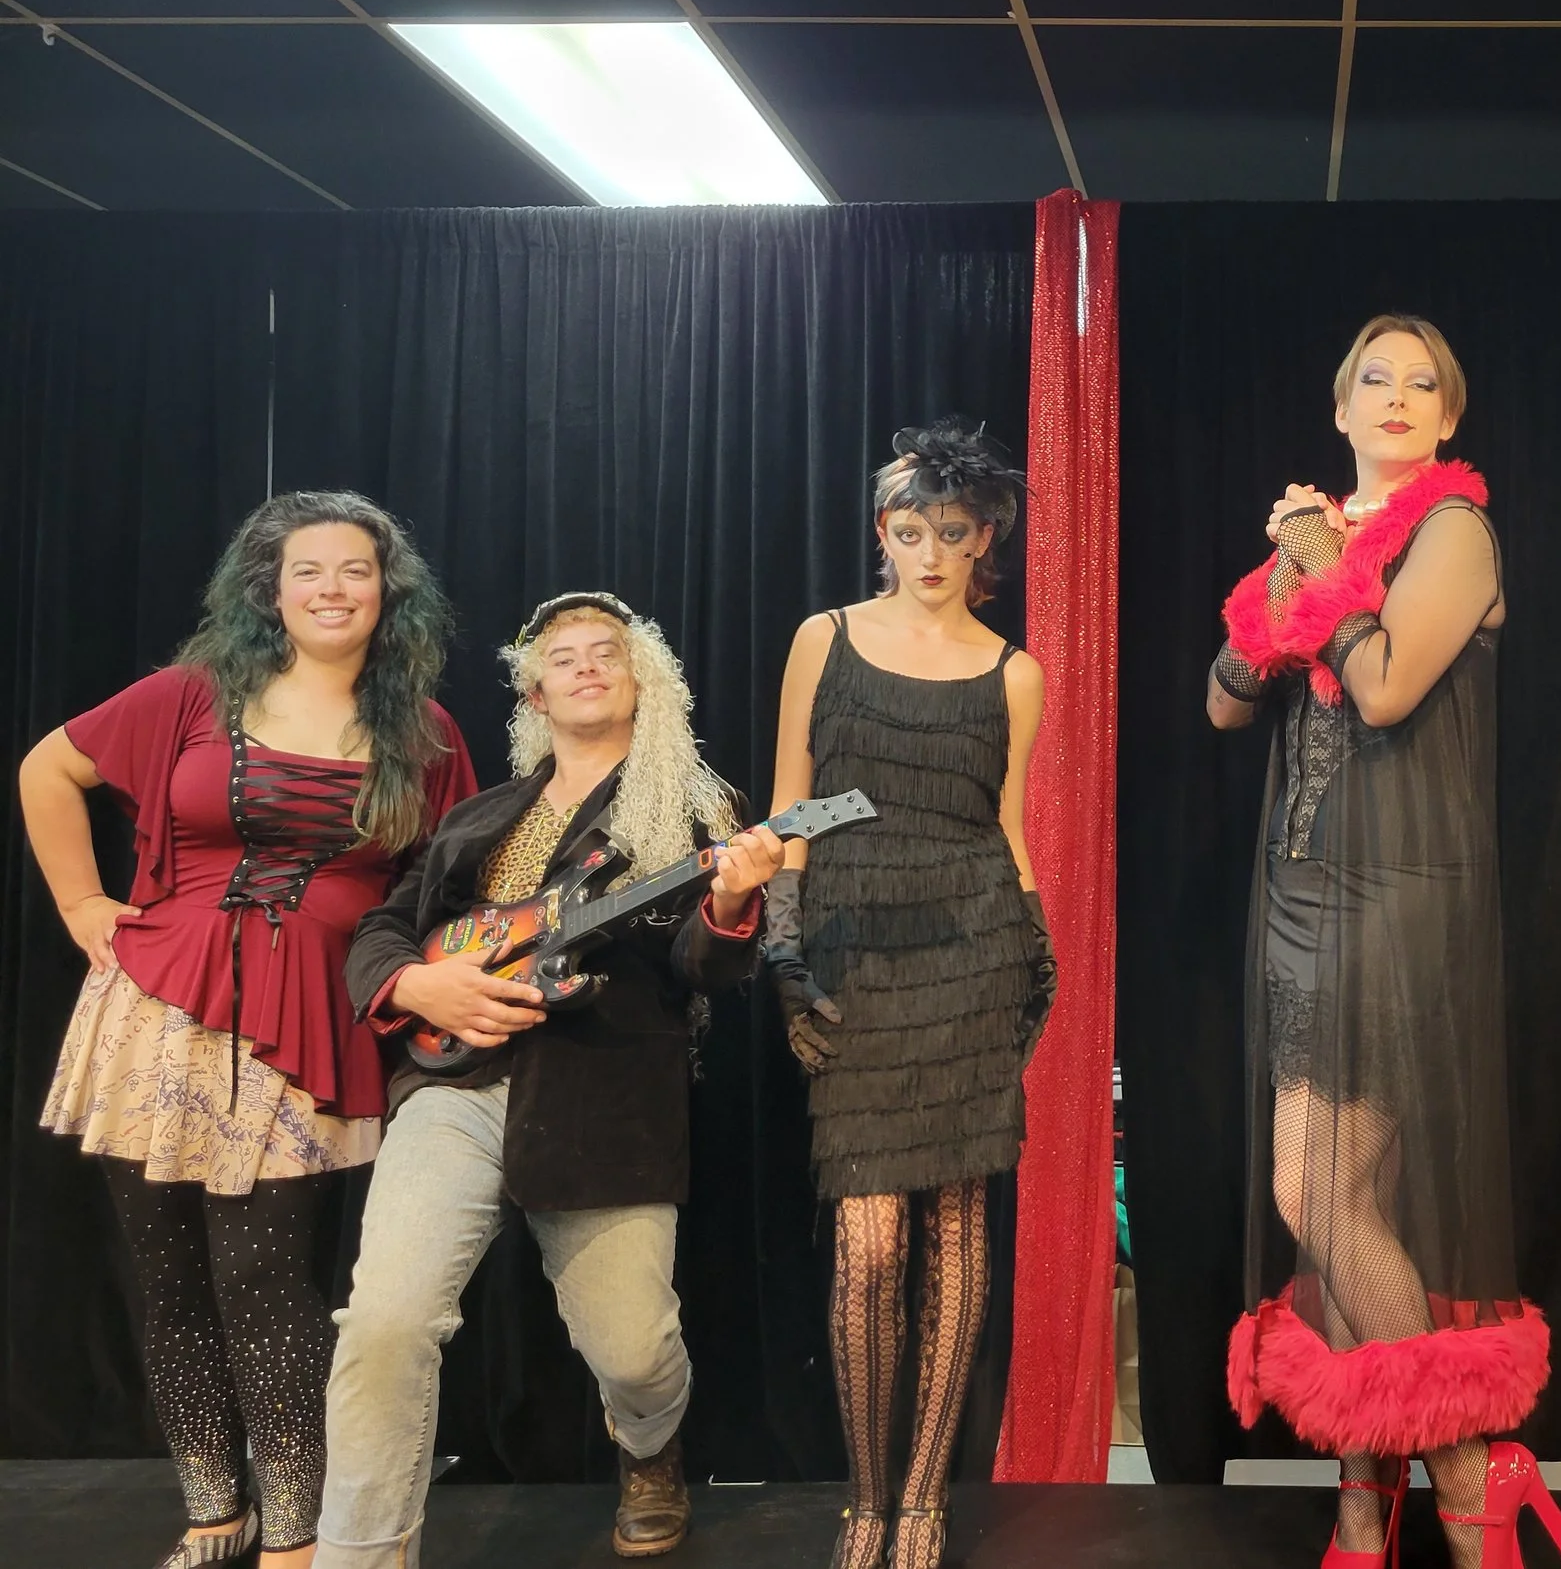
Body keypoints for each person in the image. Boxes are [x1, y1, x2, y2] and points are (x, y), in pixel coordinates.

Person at [20, 491, 474, 1569]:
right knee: (168, 1277)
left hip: (306, 1017)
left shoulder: (423, 730)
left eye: (355, 569)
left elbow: (452, 886)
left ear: (388, 590)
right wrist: (82, 903)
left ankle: (301, 1532)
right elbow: (48, 767)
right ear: (270, 589)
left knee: (266, 1279)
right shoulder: (194, 693)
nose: (332, 588)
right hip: (158, 1009)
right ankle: (214, 1509)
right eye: (307, 569)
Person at [1212, 316, 1561, 1569]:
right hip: (1302, 892)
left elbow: (1379, 690)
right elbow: (1224, 699)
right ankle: (1367, 1491)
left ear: (1448, 418)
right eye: (1375, 378)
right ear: (1339, 407)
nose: (1398, 396)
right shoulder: (1334, 538)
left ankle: (1467, 1468)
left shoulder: (1452, 530)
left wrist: (1319, 560)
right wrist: (1285, 581)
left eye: (1425, 384)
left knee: (1312, 1189)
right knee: (1348, 1203)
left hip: (1396, 892)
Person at [312, 594, 784, 1566]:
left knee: (635, 1353)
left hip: (604, 1094)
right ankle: (357, 1552)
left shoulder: (695, 809)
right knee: (386, 1320)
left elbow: (701, 967)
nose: (585, 667)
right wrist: (415, 984)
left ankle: (648, 1445)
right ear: (534, 693)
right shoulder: (479, 815)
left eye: (606, 652)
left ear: (643, 678)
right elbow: (386, 927)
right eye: (562, 658)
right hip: (454, 1088)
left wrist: (735, 901)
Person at [759, 423, 1053, 1569]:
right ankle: (866, 1500)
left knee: (959, 1226)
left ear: (984, 540)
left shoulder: (1013, 671)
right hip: (854, 946)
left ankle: (921, 1503)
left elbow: (1006, 826)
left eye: (953, 532)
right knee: (872, 1247)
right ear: (883, 533)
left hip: (972, 948)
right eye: (910, 530)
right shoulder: (823, 639)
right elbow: (790, 808)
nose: (930, 554)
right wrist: (785, 949)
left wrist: (1035, 948)